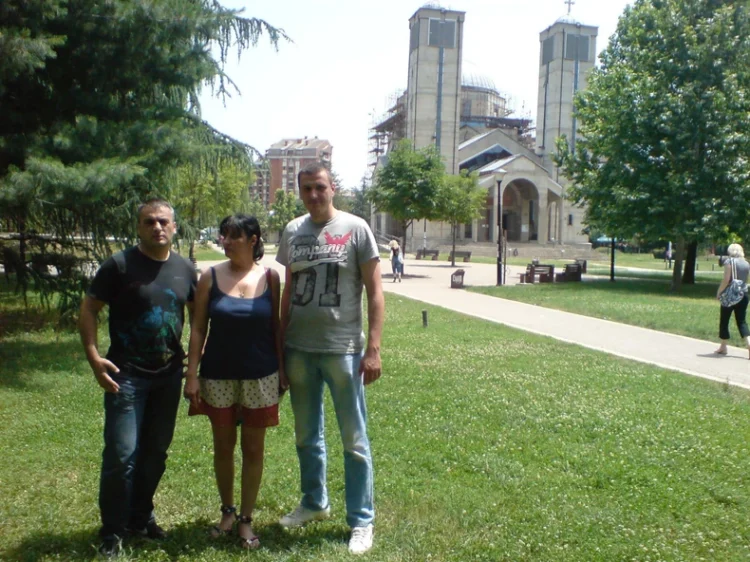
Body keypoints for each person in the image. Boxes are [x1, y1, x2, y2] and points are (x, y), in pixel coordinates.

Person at [276, 162, 384, 555]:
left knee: (354, 440)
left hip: (344, 351)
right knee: (306, 436)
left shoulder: (356, 228)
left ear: (332, 187)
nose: (314, 194)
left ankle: (361, 520)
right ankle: (314, 502)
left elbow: (375, 292)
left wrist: (373, 349)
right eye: (306, 188)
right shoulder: (292, 230)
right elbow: (288, 291)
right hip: (299, 350)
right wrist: (280, 348)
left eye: (319, 187)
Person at [79, 199, 197, 558]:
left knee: (155, 454)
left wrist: (196, 360)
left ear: (174, 227)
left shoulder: (185, 269)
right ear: (138, 227)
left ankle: (140, 518)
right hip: (125, 376)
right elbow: (89, 308)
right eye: (149, 222)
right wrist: (94, 357)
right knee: (122, 455)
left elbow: (198, 317)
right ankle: (112, 531)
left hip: (168, 377)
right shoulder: (119, 265)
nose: (157, 227)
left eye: (163, 221)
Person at [183, 214, 286, 549]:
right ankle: (227, 512)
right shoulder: (209, 277)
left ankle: (246, 519)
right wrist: (192, 374)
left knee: (253, 449)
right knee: (223, 447)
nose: (225, 241)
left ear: (253, 240)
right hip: (218, 375)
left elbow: (276, 327)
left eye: (233, 236)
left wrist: (282, 369)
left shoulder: (270, 278)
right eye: (223, 235)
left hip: (261, 376)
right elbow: (198, 327)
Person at [715, 243, 750, 357]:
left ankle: (724, 347)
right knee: (741, 321)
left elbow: (726, 280)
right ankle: (749, 344)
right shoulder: (746, 263)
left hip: (730, 295)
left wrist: (719, 292)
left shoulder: (729, 262)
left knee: (724, 320)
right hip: (743, 294)